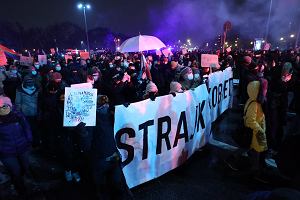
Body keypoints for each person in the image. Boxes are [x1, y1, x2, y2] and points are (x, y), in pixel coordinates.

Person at [0, 96, 32, 197]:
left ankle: (19, 180)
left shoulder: (17, 115)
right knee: (16, 171)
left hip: (22, 147)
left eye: (5, 106)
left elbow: (26, 127)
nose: (3, 109)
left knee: (25, 167)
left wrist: (28, 139)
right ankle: (21, 190)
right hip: (6, 153)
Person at [244, 80, 268, 182]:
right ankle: (255, 172)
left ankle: (257, 168)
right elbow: (251, 120)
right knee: (257, 152)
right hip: (256, 133)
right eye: (264, 89)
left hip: (258, 131)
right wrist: (260, 130)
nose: (266, 91)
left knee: (257, 151)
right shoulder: (254, 104)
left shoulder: (253, 100)